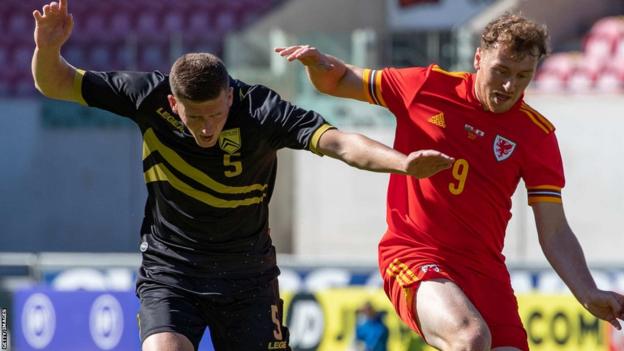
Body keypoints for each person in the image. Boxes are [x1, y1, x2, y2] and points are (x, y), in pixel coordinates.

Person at [32, 1, 454, 351]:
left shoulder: (261, 112)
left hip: (248, 277)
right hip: (172, 270)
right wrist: (47, 49)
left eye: (215, 114)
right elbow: (58, 83)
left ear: (230, 94)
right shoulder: (146, 97)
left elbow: (339, 143)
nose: (205, 127)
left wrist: (403, 162)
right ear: (174, 103)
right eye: (194, 116)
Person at [276, 13, 624, 351]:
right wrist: (318, 64)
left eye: (523, 76)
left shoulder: (537, 135)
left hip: (485, 271)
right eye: (501, 71)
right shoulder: (426, 86)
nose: (509, 86)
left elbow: (555, 231)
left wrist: (587, 291)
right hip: (415, 253)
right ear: (478, 58)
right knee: (469, 339)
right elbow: (338, 81)